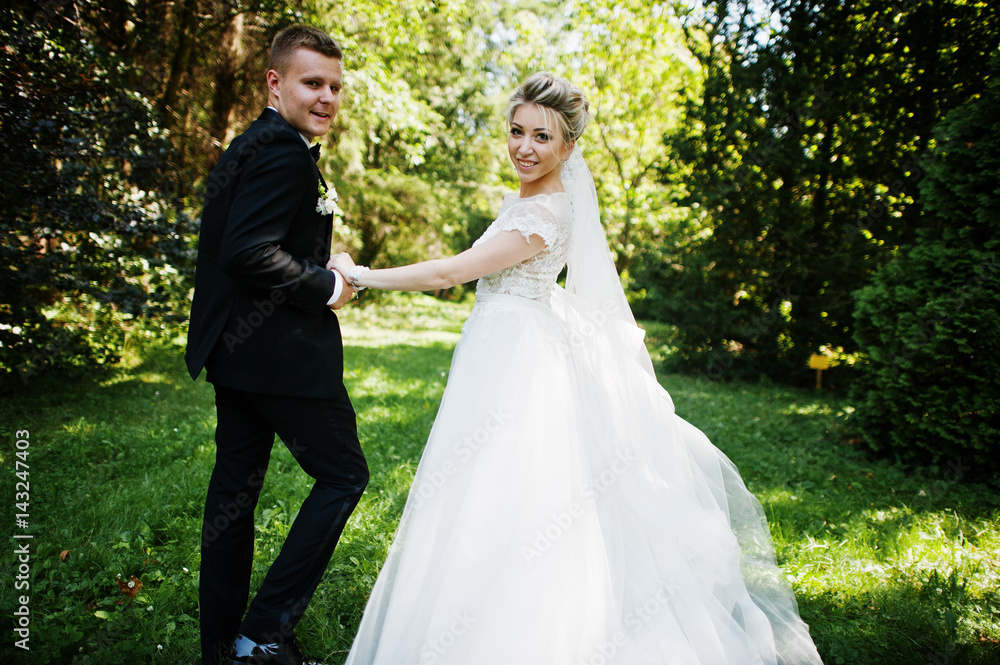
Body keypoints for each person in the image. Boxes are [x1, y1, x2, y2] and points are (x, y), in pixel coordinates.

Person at [331, 72, 824, 664]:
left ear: (568, 147)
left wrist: (360, 275)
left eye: (542, 136)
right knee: (488, 494)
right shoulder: (529, 202)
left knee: (509, 494)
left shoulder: (545, 213)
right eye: (516, 131)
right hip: (507, 351)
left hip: (514, 366)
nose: (524, 147)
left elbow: (449, 273)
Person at [185, 25, 367, 665]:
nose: (326, 98)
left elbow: (255, 239)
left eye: (335, 87)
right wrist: (325, 285)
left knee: (233, 500)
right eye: (312, 83)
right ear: (275, 81)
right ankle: (262, 634)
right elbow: (246, 250)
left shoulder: (253, 144)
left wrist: (320, 258)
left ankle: (221, 646)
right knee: (344, 477)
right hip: (282, 359)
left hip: (235, 356)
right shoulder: (284, 153)